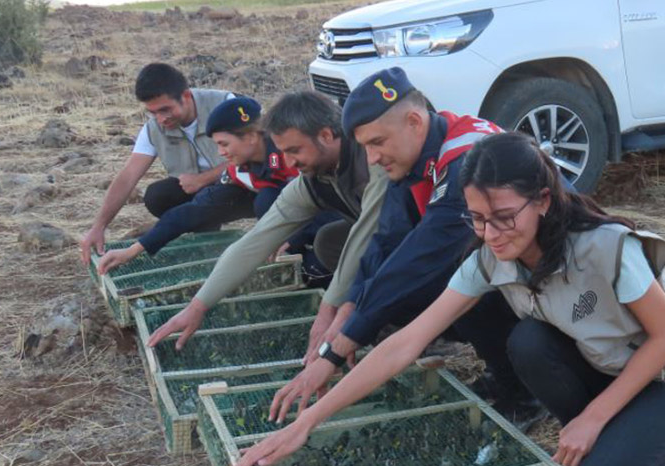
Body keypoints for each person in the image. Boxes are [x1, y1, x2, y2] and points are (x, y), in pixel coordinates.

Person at [230, 132, 665, 466]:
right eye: (476, 218)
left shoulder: (603, 246)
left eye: (504, 216)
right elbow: (405, 343)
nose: (489, 233)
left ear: (543, 200)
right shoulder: (491, 257)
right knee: (528, 342)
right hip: (613, 364)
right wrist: (309, 422)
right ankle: (626, 423)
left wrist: (592, 418)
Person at [150, 68, 545, 429]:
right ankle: (502, 372)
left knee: (456, 276)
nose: (373, 157)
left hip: (548, 277)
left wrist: (339, 344)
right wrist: (352, 309)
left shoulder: (465, 160)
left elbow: (419, 256)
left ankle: (526, 395)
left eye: (377, 143)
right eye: (366, 147)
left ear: (413, 121)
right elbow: (383, 242)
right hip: (504, 264)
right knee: (418, 280)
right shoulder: (417, 153)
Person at [145, 89, 387, 354]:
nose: (289, 162)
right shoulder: (312, 180)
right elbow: (256, 240)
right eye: (283, 152)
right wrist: (197, 307)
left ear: (327, 136)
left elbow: (368, 232)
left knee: (348, 247)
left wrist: (329, 310)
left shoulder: (372, 158)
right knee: (330, 241)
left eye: (295, 150)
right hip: (384, 239)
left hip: (421, 241)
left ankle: (406, 325)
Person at [94, 96, 336, 280]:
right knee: (263, 201)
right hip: (295, 214)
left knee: (275, 206)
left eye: (224, 144)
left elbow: (328, 204)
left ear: (252, 136)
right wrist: (137, 249)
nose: (220, 153)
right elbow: (195, 209)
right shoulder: (239, 170)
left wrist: (294, 238)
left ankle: (312, 264)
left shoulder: (293, 155)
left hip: (338, 221)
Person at [79, 63, 235, 262]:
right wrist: (98, 227)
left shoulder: (224, 104)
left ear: (186, 96)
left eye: (165, 109)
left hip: (238, 185)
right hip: (200, 193)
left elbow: (256, 156)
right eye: (153, 112)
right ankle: (205, 239)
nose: (161, 119)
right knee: (157, 196)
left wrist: (203, 179)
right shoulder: (153, 129)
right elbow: (128, 177)